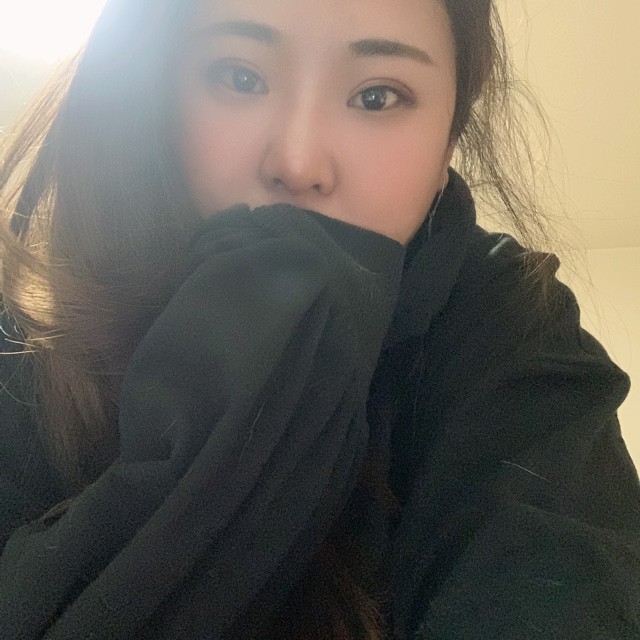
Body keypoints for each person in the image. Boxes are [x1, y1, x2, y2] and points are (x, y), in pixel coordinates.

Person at [0, 0, 638, 638]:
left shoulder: (512, 329)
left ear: (447, 144)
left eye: (377, 97)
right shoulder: (27, 336)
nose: (298, 164)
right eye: (240, 77)